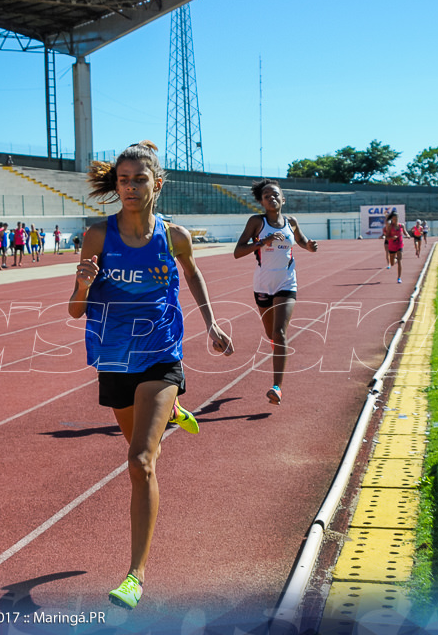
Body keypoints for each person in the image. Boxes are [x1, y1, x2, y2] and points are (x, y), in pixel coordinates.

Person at [68, 141, 233, 610]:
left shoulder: (175, 236)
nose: (130, 187)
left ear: (157, 184)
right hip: (115, 357)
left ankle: (135, 575)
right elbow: (74, 309)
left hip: (161, 355)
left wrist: (211, 323)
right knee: (134, 450)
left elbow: (193, 272)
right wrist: (82, 282)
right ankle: (174, 410)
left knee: (141, 462)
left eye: (139, 179)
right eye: (123, 180)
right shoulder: (98, 235)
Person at [233, 179, 318, 405]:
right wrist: (262, 242)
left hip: (286, 283)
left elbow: (300, 239)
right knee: (272, 335)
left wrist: (308, 246)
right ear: (261, 202)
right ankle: (276, 347)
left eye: (275, 195)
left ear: (283, 199)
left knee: (280, 332)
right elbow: (237, 252)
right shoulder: (256, 222)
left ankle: (277, 387)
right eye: (266, 195)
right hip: (262, 285)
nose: (271, 198)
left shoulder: (291, 222)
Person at [382, 210, 407, 283]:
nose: (395, 220)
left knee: (400, 261)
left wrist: (408, 235)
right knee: (392, 263)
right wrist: (392, 238)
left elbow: (405, 232)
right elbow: (387, 237)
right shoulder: (390, 227)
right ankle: (394, 260)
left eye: (396, 219)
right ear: (392, 219)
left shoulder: (401, 225)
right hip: (392, 246)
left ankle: (399, 278)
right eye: (393, 219)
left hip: (399, 244)